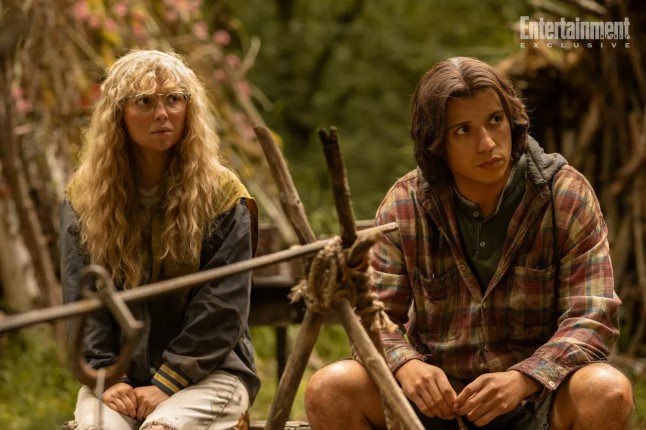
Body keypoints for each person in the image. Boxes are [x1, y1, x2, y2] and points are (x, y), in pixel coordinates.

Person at [304, 57, 633, 429]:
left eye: (495, 120)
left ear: (512, 121)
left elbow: (592, 316)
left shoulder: (565, 197)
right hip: (436, 407)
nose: (487, 143)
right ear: (437, 143)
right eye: (463, 130)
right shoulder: (405, 205)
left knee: (607, 391)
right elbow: (372, 316)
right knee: (331, 388)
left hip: (537, 401)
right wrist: (406, 365)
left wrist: (524, 378)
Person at [60, 49, 259, 430]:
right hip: (118, 381)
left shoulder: (222, 195)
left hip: (209, 375)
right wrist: (107, 375)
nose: (162, 113)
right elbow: (82, 297)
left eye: (174, 99)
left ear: (189, 109)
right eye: (144, 102)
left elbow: (223, 305)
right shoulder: (85, 196)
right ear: (118, 113)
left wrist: (170, 380)